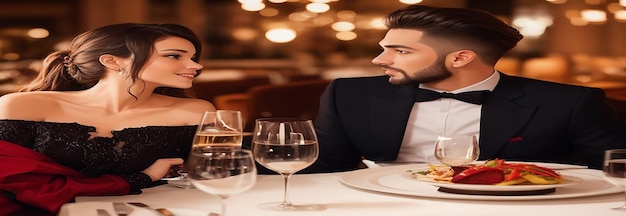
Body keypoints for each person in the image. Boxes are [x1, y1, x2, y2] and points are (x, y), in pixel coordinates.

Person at [305, 5, 626, 173]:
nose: (380, 59)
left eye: (401, 51)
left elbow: (614, 170)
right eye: (384, 48)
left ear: (460, 58)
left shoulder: (569, 103)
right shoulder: (348, 94)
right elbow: (324, 165)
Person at [0, 23, 215, 214]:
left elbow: (219, 174)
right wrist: (143, 177)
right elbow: (15, 185)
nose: (196, 66)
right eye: (174, 56)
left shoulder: (196, 112)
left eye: (193, 58)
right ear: (112, 61)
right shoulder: (22, 106)